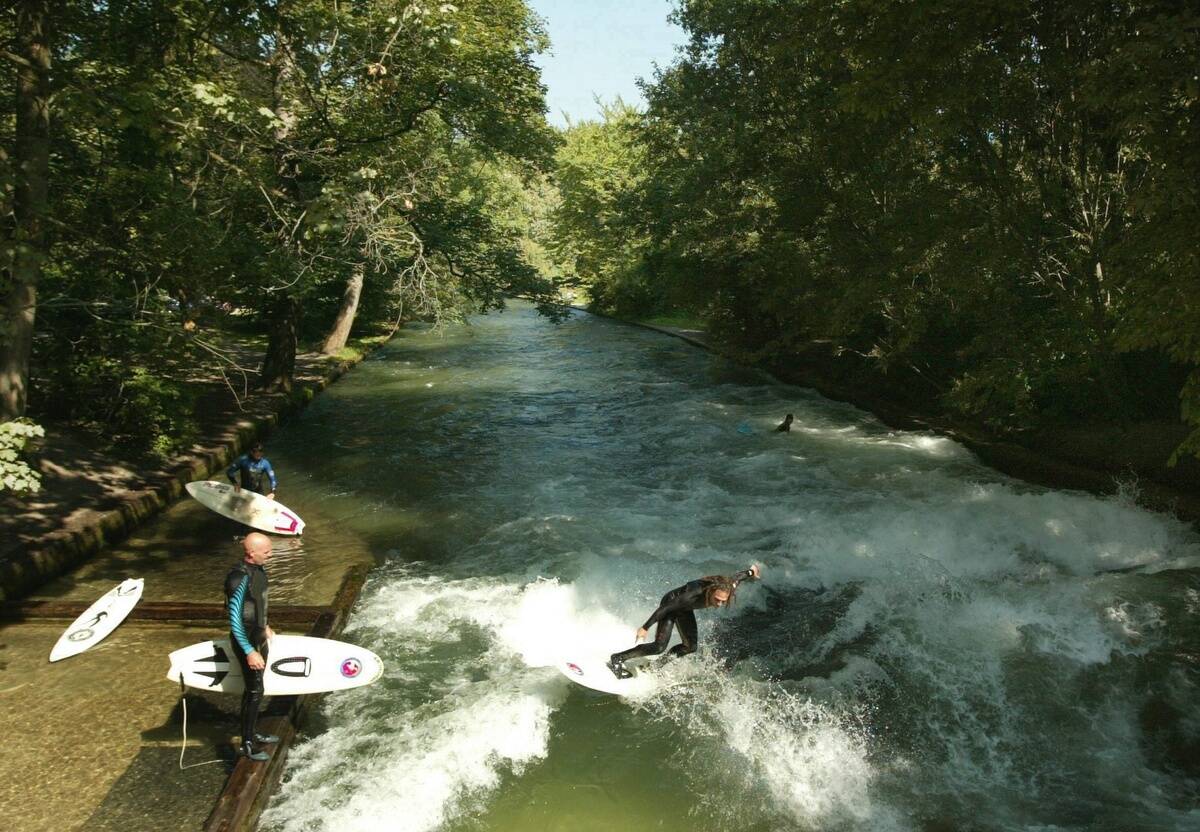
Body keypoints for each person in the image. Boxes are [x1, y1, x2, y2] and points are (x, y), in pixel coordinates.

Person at [607, 564, 763, 679]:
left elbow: (738, 577)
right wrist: (645, 627)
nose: (719, 603)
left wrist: (751, 571)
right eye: (717, 599)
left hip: (685, 610)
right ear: (710, 591)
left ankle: (655, 667)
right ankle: (617, 658)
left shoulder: (728, 587)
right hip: (672, 604)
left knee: (690, 646)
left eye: (723, 601)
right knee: (659, 646)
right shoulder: (693, 594)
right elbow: (666, 608)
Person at [224, 532, 278, 761]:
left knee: (256, 690)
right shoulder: (238, 578)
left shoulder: (259, 570)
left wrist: (265, 627)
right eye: (266, 552)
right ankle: (246, 743)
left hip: (257, 636)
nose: (271, 555)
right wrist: (249, 650)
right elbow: (235, 619)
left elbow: (258, 603)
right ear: (251, 553)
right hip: (245, 640)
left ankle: (252, 732)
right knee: (254, 691)